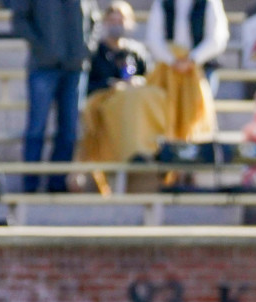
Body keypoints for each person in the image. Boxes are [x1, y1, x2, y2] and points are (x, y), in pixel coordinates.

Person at [12, 0, 98, 193]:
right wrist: (44, 51)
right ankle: (30, 186)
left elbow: (95, 21)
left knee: (69, 131)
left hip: (75, 69)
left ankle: (57, 184)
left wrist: (85, 50)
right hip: (43, 67)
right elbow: (19, 21)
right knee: (36, 129)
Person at [79, 1, 167, 178]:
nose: (117, 25)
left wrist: (138, 83)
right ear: (104, 23)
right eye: (112, 20)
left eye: (121, 20)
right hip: (107, 107)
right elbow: (86, 86)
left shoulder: (137, 52)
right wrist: (112, 87)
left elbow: (150, 81)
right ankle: (129, 153)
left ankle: (149, 150)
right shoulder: (95, 52)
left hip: (133, 107)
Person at [144, 0, 229, 142]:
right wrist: (172, 60)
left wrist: (193, 59)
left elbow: (217, 38)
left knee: (197, 111)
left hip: (201, 67)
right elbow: (154, 37)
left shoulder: (210, 2)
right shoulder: (163, 2)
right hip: (169, 68)